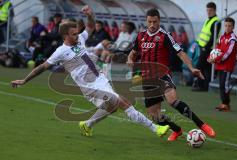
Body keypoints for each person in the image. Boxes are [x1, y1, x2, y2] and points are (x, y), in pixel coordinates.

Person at [11, 6, 169, 138]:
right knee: (121, 101)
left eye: (76, 33)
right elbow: (42, 67)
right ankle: (156, 129)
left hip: (100, 79)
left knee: (113, 106)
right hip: (88, 86)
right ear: (65, 35)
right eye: (73, 34)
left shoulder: (79, 39)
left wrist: (90, 15)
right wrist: (24, 80)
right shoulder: (60, 51)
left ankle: (87, 124)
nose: (77, 35)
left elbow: (91, 27)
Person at [127, 8, 216, 141]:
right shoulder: (140, 36)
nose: (152, 25)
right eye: (149, 22)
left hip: (162, 75)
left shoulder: (165, 36)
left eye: (155, 22)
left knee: (172, 101)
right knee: (155, 116)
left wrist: (192, 68)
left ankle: (201, 125)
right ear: (146, 21)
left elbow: (180, 53)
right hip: (147, 79)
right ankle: (177, 130)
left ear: (159, 21)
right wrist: (129, 60)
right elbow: (133, 53)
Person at [207, 17, 237, 112]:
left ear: (233, 27)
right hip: (220, 65)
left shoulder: (233, 39)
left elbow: (227, 53)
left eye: (229, 26)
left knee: (225, 84)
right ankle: (224, 103)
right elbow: (216, 49)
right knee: (221, 84)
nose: (227, 27)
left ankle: (226, 104)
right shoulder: (221, 37)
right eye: (226, 26)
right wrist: (210, 57)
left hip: (227, 66)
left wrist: (216, 60)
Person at [193, 2, 221, 91]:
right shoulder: (208, 19)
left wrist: (206, 47)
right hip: (202, 47)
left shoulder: (216, 21)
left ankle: (201, 86)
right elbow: (204, 34)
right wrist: (198, 43)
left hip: (208, 48)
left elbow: (214, 37)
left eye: (210, 10)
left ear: (215, 10)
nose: (208, 12)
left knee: (199, 67)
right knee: (206, 69)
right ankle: (204, 86)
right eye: (207, 10)